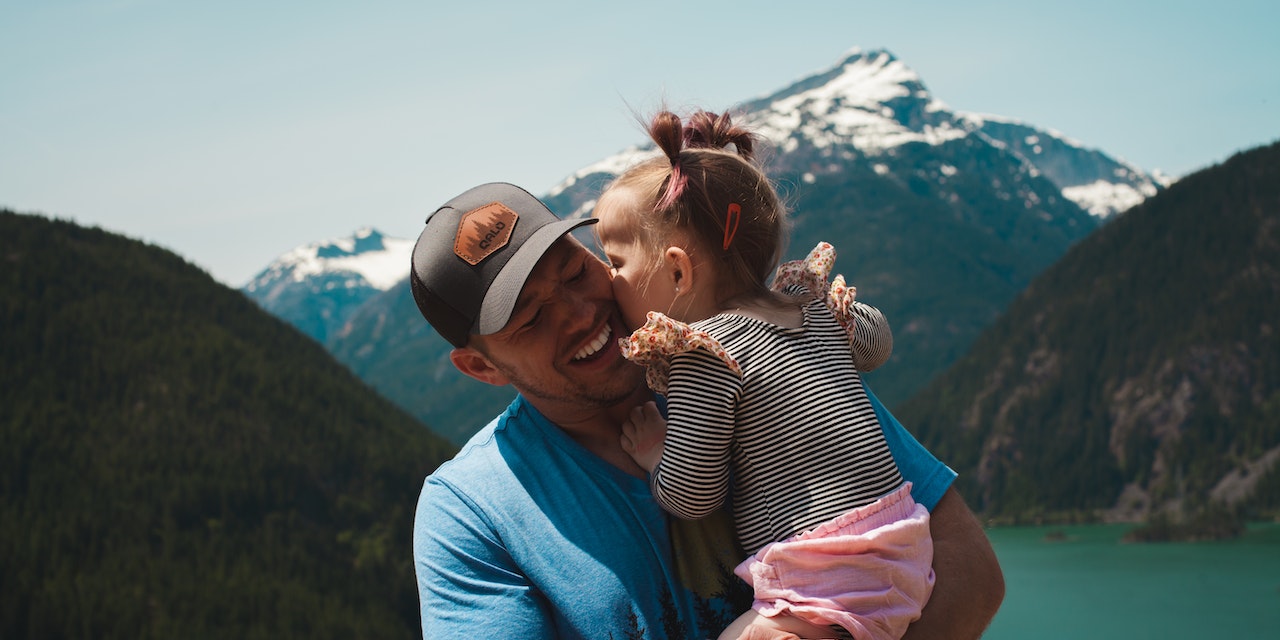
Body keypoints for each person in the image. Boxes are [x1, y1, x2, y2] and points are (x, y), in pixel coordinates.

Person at [409, 181, 1004, 639]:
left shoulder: (756, 350)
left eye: (574, 270)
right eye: (533, 318)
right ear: (480, 367)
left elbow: (972, 573)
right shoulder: (468, 515)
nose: (579, 313)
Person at [592, 109, 931, 640]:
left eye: (615, 262)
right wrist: (840, 311)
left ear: (677, 270)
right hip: (906, 542)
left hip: (824, 573)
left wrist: (659, 455)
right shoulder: (809, 307)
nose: (607, 279)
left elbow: (694, 495)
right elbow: (877, 344)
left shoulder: (704, 355)